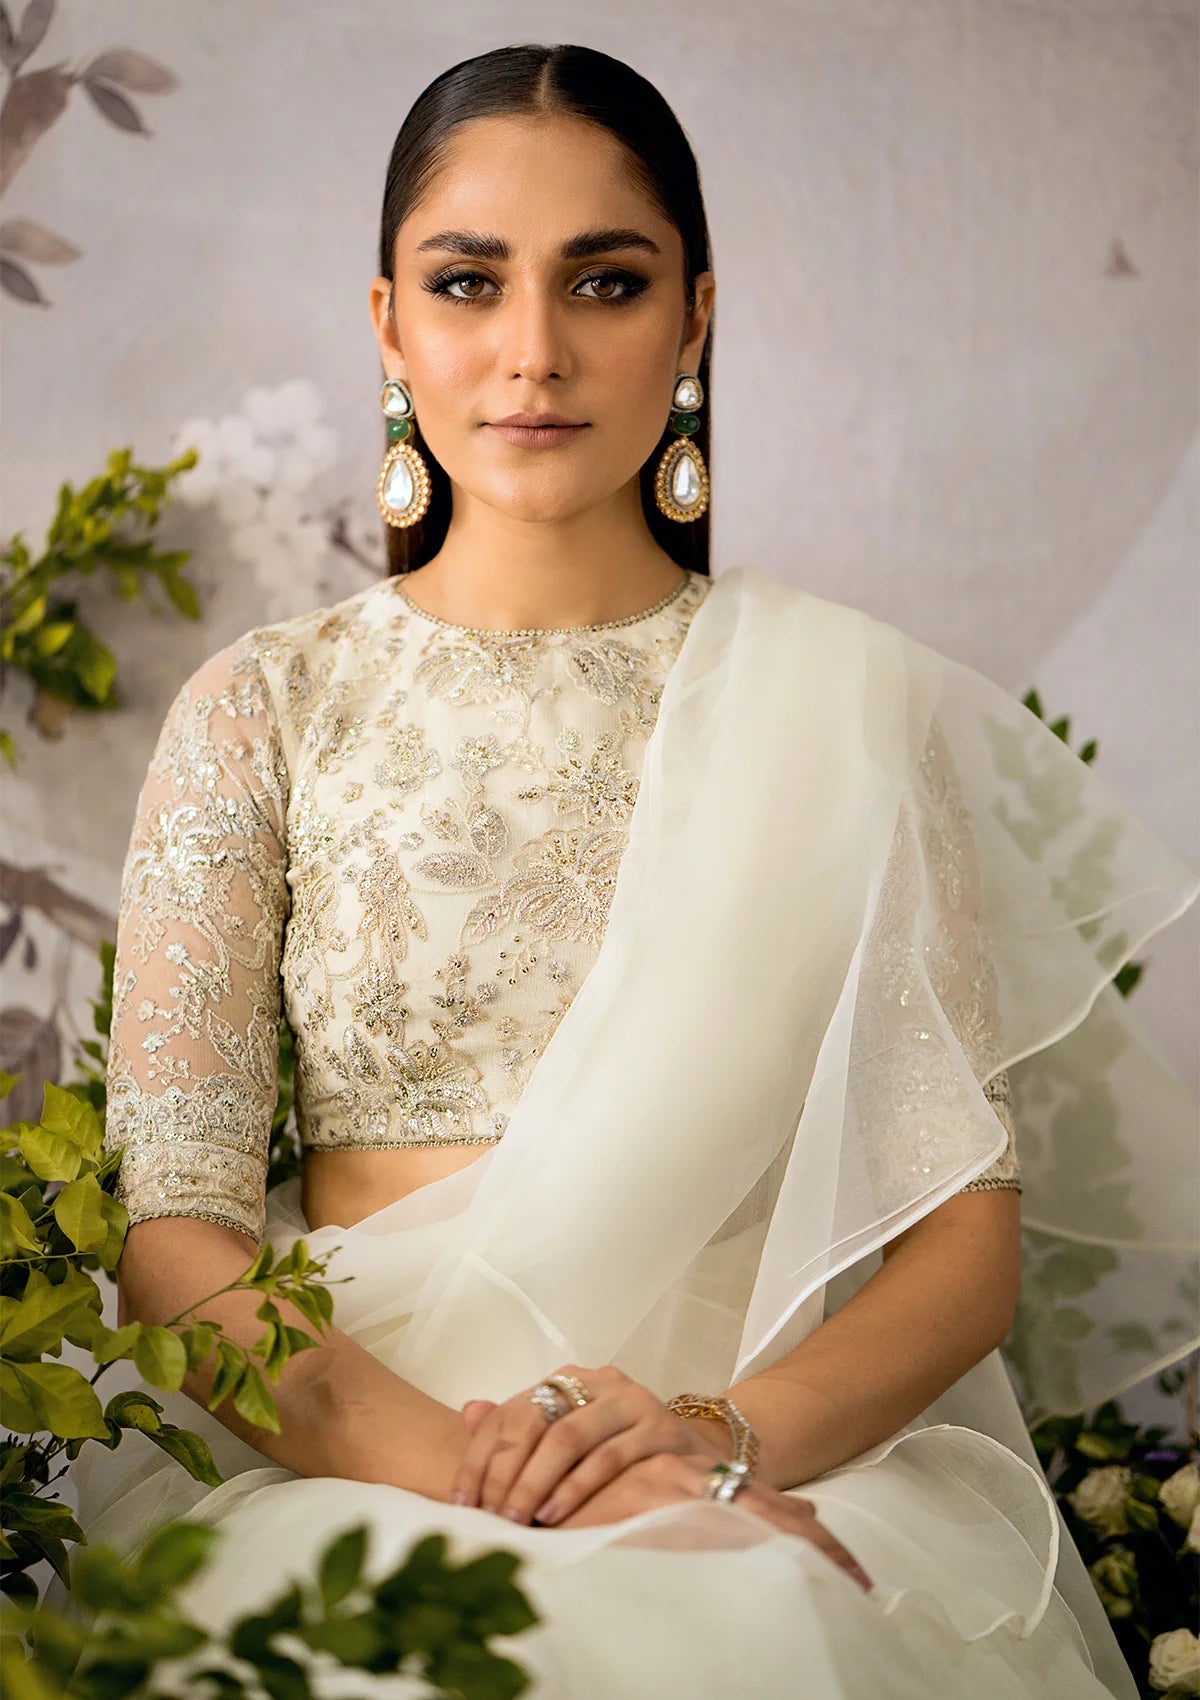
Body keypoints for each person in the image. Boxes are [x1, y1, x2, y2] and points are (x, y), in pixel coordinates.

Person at [63, 42, 1198, 1700]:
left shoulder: (837, 706)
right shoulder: (265, 712)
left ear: (694, 317)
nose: (533, 350)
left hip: (754, 1466)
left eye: (604, 281)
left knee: (762, 1627)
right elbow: (176, 1237)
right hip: (355, 1467)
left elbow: (963, 1243)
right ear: (389, 324)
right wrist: (486, 1476)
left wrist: (711, 1447)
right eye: (469, 283)